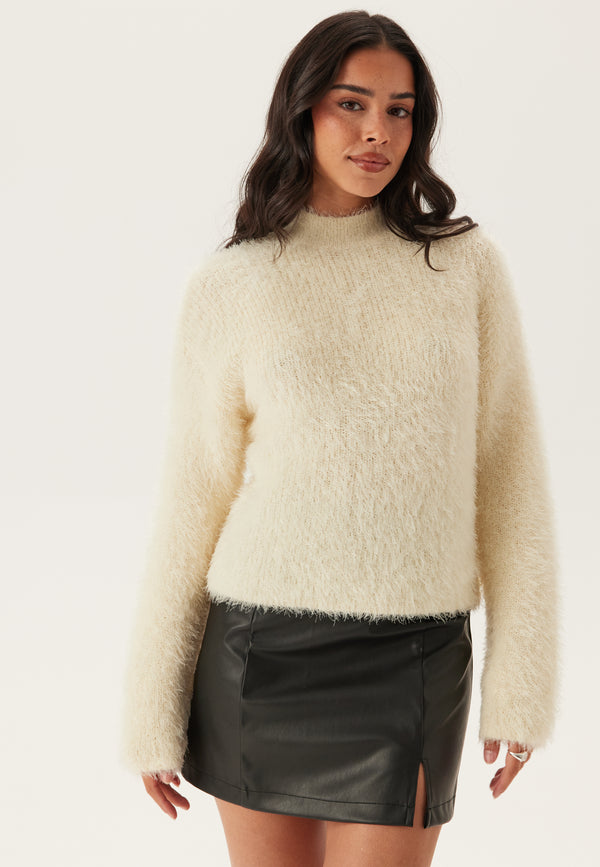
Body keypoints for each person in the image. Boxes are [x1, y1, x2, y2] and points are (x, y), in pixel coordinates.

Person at [120, 11, 559, 867]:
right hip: (259, 655)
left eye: (400, 110)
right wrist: (151, 706)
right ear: (302, 111)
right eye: (351, 104)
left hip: (413, 657)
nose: (377, 132)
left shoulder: (464, 267)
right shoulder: (233, 282)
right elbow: (193, 496)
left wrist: (521, 683)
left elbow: (511, 479)